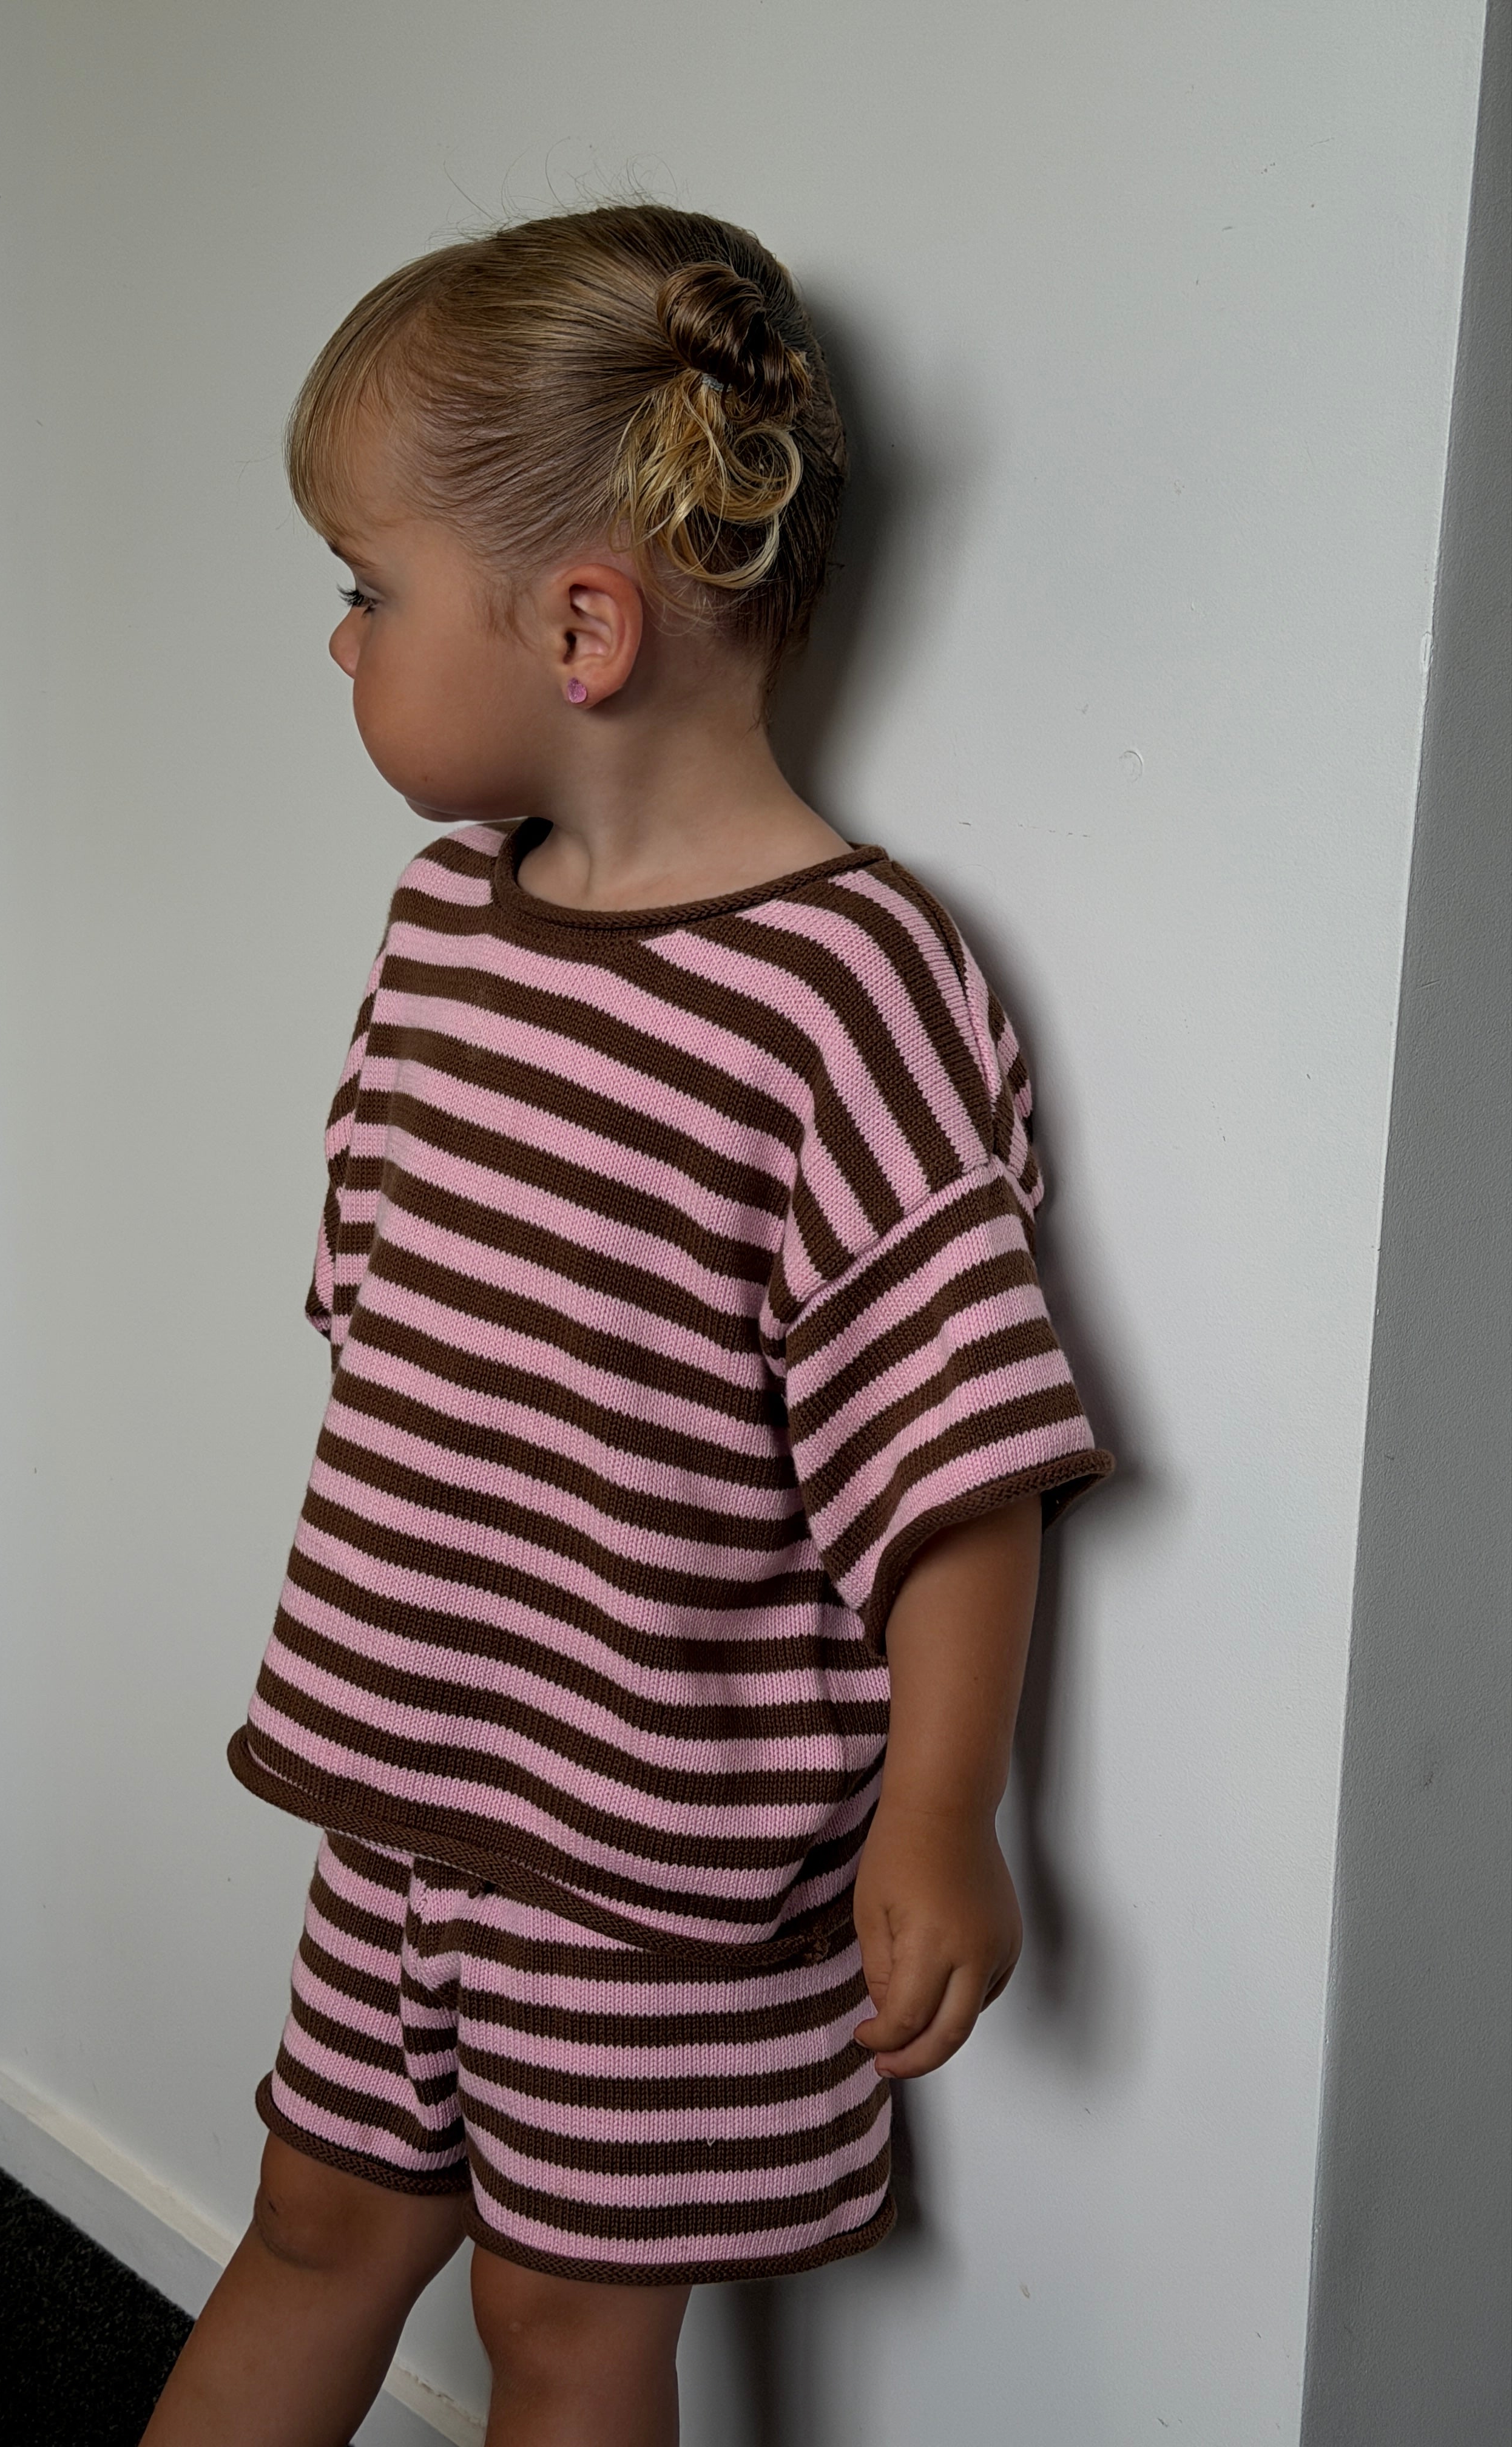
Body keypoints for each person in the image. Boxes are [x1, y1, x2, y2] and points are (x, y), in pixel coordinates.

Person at [143, 202, 1111, 2447]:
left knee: (569, 2328)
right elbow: (392, 1319)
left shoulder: (846, 996)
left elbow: (956, 1458)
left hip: (653, 1867)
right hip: (405, 1794)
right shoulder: (439, 934)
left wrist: (943, 1808)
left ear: (582, 626)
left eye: (368, 588)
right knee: (312, 2226)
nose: (341, 641)